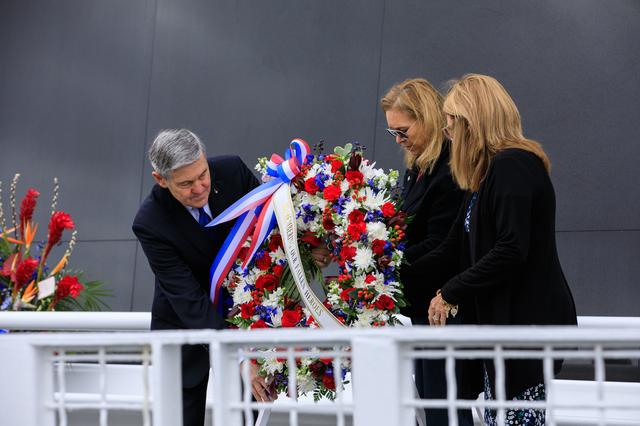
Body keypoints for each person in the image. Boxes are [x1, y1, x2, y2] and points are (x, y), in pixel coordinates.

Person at [411, 74, 577, 425]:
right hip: (502, 328)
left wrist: (450, 292)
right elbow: (451, 248)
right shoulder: (486, 175)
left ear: (472, 122)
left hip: (522, 327)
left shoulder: (513, 166)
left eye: (450, 122)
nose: (447, 132)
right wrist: (388, 274)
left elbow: (511, 249)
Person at [132, 129, 261, 426]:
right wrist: (238, 355)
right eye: (186, 184)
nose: (200, 187)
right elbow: (187, 296)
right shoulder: (149, 222)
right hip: (184, 326)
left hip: (243, 318)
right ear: (161, 180)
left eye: (202, 174)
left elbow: (273, 228)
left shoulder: (233, 171)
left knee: (247, 416)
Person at [381, 78, 474, 425]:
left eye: (402, 131)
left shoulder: (448, 169)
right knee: (432, 403)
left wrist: (386, 266)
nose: (398, 140)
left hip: (444, 307)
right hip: (424, 306)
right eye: (392, 133)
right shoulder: (418, 168)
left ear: (428, 119)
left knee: (443, 408)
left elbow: (441, 243)